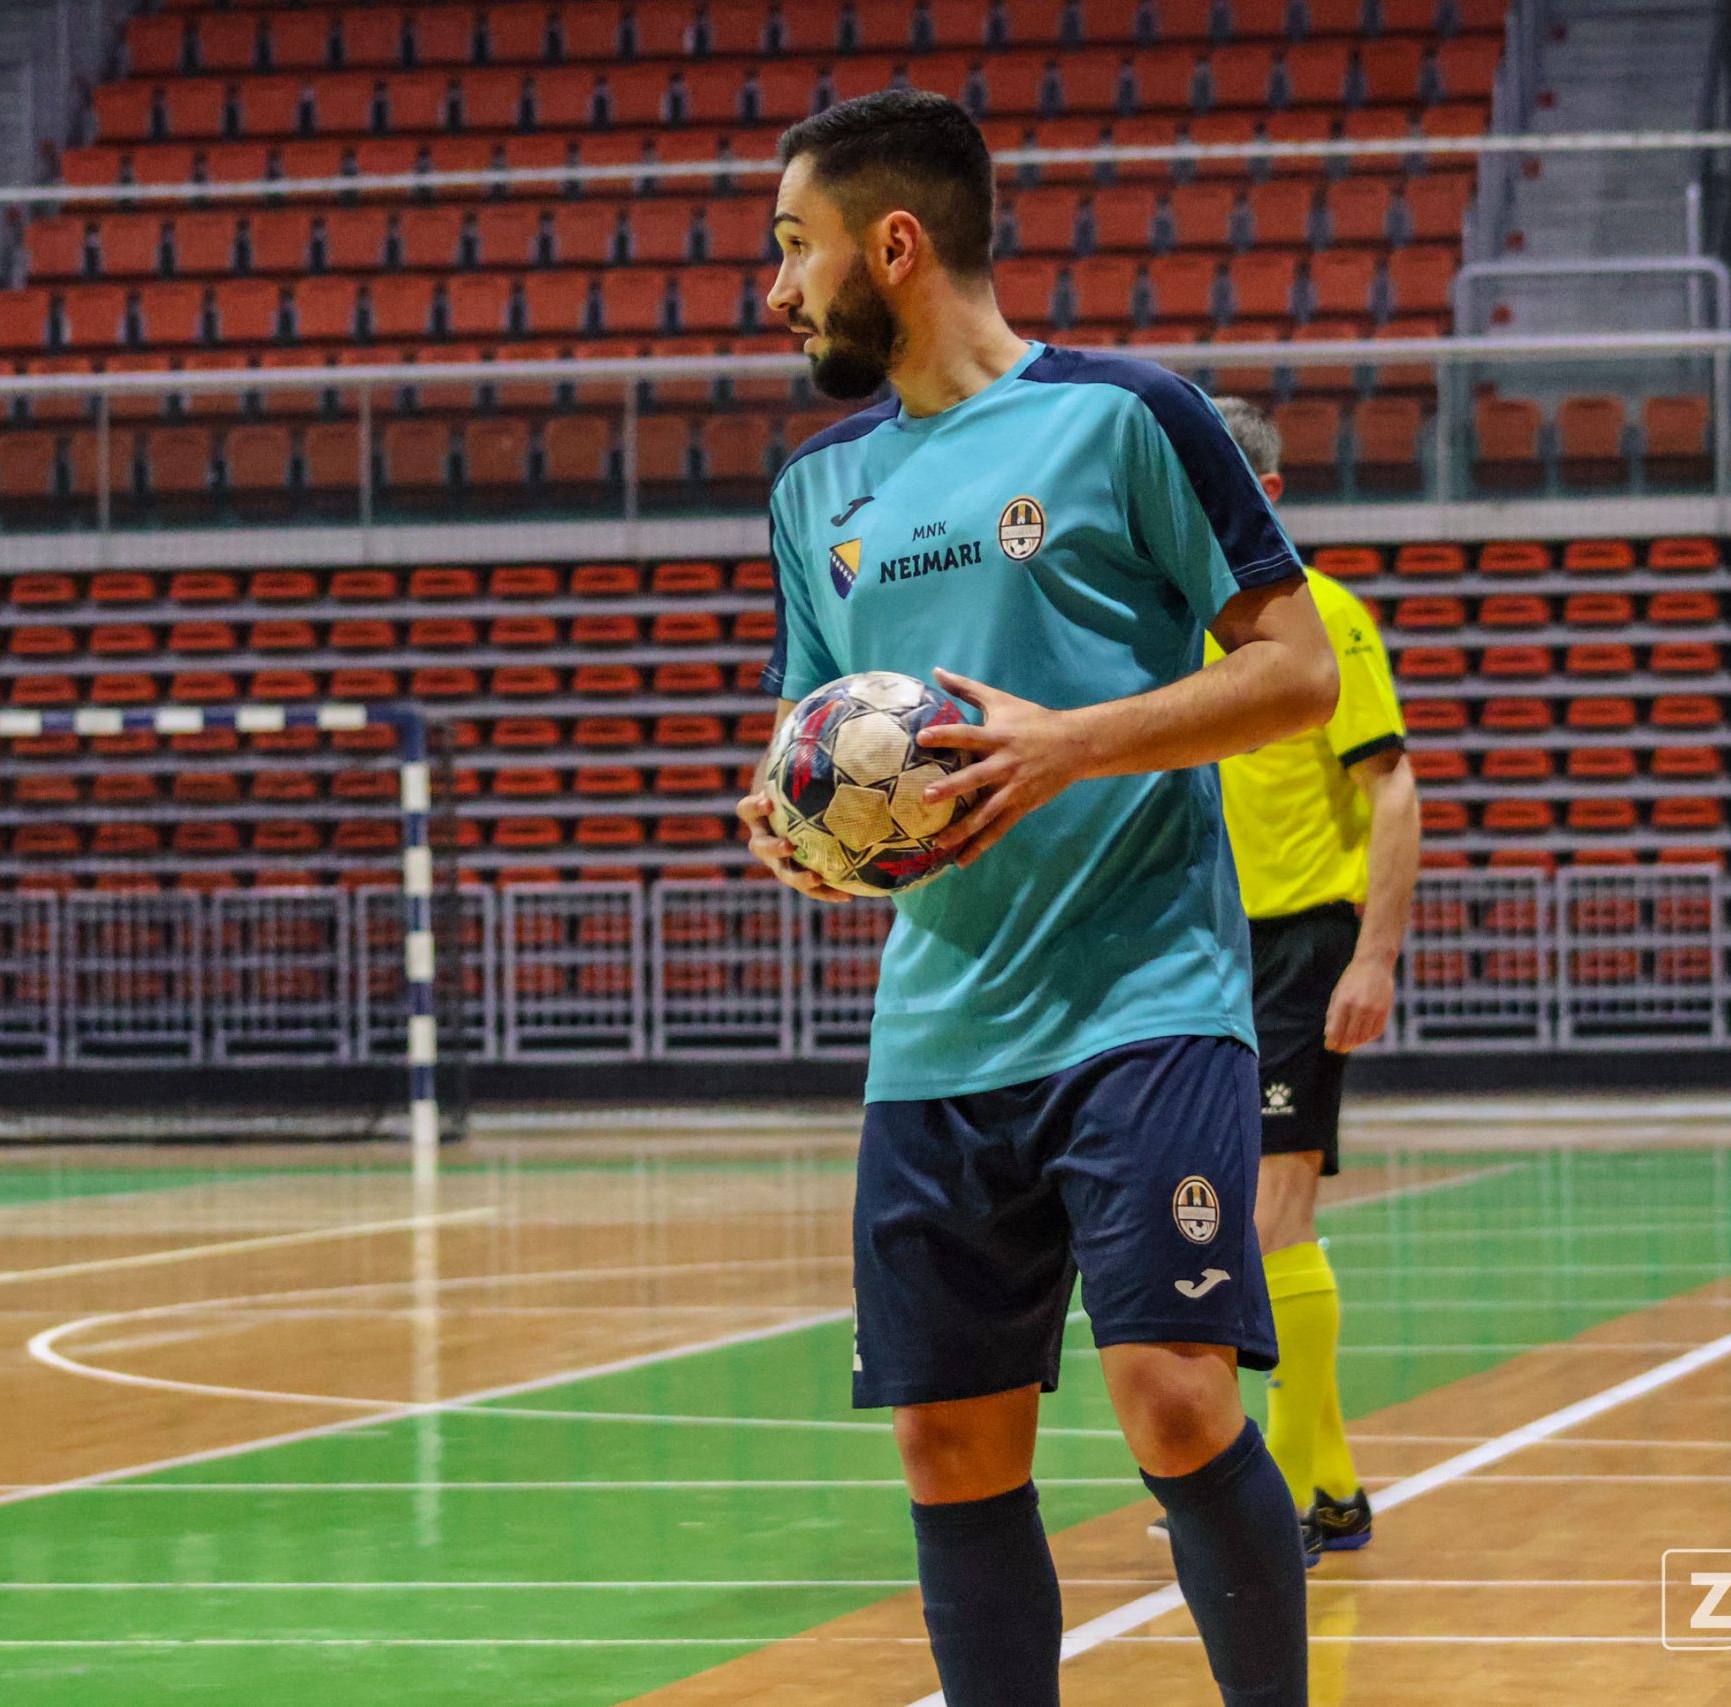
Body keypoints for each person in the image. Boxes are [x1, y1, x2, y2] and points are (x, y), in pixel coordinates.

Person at [735, 90, 1342, 1707]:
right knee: (948, 1442)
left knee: (1176, 1399)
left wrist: (1071, 744)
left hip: (1147, 996)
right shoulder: (812, 493)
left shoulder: (1128, 418)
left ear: (894, 245)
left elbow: (1301, 670)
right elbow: (809, 740)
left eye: (794, 247)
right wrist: (794, 827)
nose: (775, 290)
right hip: (939, 1031)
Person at [1149, 397, 1422, 1562]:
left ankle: (1294, 1501)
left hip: (1299, 943)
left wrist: (1372, 955)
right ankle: (1333, 1491)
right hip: (1200, 953)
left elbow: (1392, 788)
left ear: (1259, 494)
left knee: (1271, 1219)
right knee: (1217, 1226)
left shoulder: (1326, 619)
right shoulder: (1170, 630)